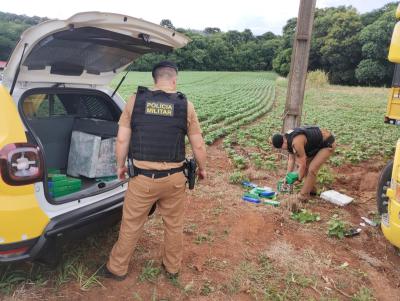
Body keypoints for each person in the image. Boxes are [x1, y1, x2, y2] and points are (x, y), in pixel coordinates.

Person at [101, 61, 207, 281]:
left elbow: (122, 139)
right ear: (174, 79)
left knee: (131, 224)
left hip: (142, 179)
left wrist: (120, 166)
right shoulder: (185, 105)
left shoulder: (135, 100)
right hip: (175, 179)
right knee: (174, 225)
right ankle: (172, 268)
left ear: (154, 79)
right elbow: (198, 144)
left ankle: (117, 268)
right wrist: (202, 169)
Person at [271, 126, 335, 202]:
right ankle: (312, 190)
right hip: (316, 145)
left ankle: (303, 196)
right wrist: (287, 177)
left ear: (283, 142)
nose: (283, 149)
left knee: (312, 169)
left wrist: (299, 179)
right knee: (306, 167)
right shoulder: (288, 139)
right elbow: (291, 160)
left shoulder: (295, 142)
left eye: (282, 148)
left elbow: (302, 164)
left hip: (327, 143)